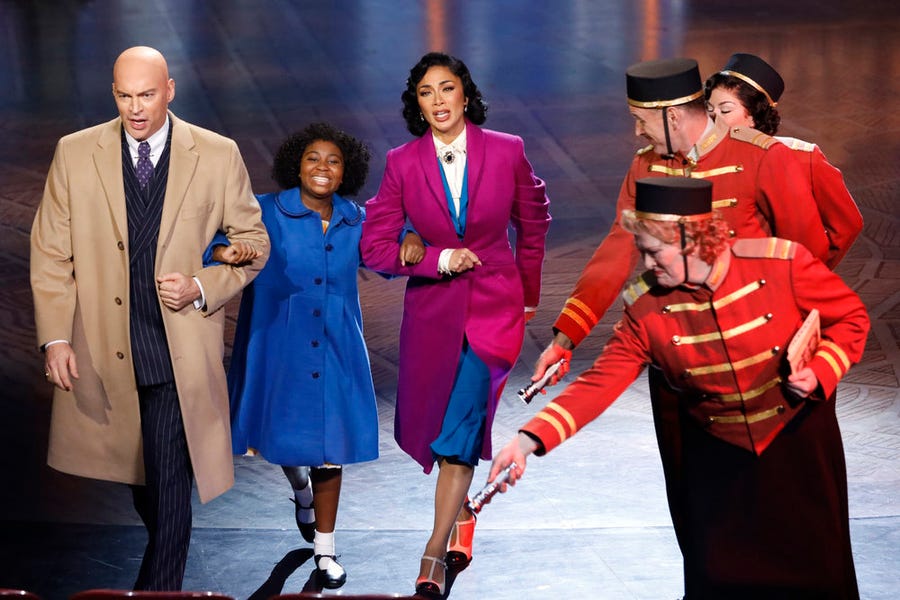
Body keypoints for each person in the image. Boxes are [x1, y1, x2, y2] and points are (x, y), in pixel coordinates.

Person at [492, 177, 869, 599]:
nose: (648, 266)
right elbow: (602, 381)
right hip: (719, 463)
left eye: (656, 252)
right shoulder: (646, 305)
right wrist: (527, 441)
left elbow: (851, 318)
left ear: (693, 239)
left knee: (813, 578)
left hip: (795, 449)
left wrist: (820, 370)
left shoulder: (780, 262)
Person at [531, 57, 842, 553]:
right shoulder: (644, 166)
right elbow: (617, 249)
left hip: (756, 364)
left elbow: (806, 254)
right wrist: (566, 337)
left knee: (775, 506)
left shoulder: (764, 157)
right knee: (694, 499)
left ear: (673, 115)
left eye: (642, 119)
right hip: (679, 362)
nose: (635, 130)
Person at [29, 46, 269, 590]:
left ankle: (156, 592)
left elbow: (254, 242)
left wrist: (204, 284)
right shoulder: (75, 153)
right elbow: (50, 253)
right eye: (123, 96)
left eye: (146, 95)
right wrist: (56, 338)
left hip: (174, 351)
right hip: (105, 351)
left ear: (170, 90)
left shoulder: (216, 153)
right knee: (147, 488)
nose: (135, 108)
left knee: (170, 489)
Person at [359, 51, 551, 596]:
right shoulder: (402, 162)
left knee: (457, 435)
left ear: (466, 95)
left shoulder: (507, 150)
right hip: (433, 317)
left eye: (447, 89)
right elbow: (373, 246)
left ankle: (432, 553)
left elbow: (533, 222)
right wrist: (434, 258)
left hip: (495, 311)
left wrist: (529, 298)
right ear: (416, 104)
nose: (439, 101)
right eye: (426, 92)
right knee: (438, 431)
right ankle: (463, 512)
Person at [208, 122, 422, 589]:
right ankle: (300, 490)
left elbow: (388, 246)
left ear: (346, 171)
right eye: (312, 159)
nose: (322, 168)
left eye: (333, 161)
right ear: (295, 166)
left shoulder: (355, 219)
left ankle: (325, 550)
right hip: (279, 345)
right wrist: (226, 251)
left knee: (330, 449)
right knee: (287, 439)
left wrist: (410, 236)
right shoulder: (265, 210)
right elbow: (213, 242)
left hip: (336, 345)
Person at [705, 52, 863, 267]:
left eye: (725, 110)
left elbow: (847, 224)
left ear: (753, 115)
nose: (714, 119)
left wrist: (813, 270)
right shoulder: (701, 159)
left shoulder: (803, 157)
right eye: (709, 110)